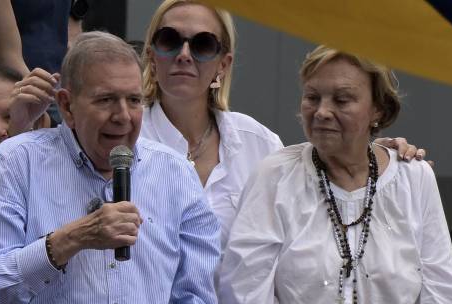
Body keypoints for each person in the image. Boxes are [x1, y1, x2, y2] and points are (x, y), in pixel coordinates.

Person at [0, 31, 226, 304]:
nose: (123, 116)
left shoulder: (175, 174)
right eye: (105, 100)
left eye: (133, 100)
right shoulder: (14, 163)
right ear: (67, 106)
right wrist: (68, 241)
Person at [217, 45, 452, 304]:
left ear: (377, 109)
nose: (321, 112)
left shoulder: (414, 180)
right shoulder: (275, 175)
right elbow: (245, 291)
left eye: (342, 99)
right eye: (312, 97)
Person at [139, 0, 427, 250]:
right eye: (169, 40)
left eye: (203, 44)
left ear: (223, 64)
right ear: (152, 55)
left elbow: (321, 185)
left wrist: (372, 152)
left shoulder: (260, 144)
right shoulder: (122, 139)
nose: (184, 54)